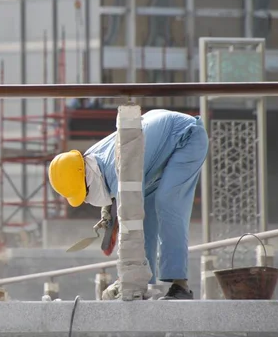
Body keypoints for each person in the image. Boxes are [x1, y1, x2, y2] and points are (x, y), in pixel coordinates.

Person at [48, 109, 209, 300]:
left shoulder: (118, 172)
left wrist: (126, 277)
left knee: (167, 203)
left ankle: (180, 284)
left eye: (84, 194)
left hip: (186, 137)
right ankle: (144, 282)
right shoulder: (90, 159)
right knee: (146, 216)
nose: (86, 199)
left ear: (85, 180)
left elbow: (129, 226)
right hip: (160, 144)